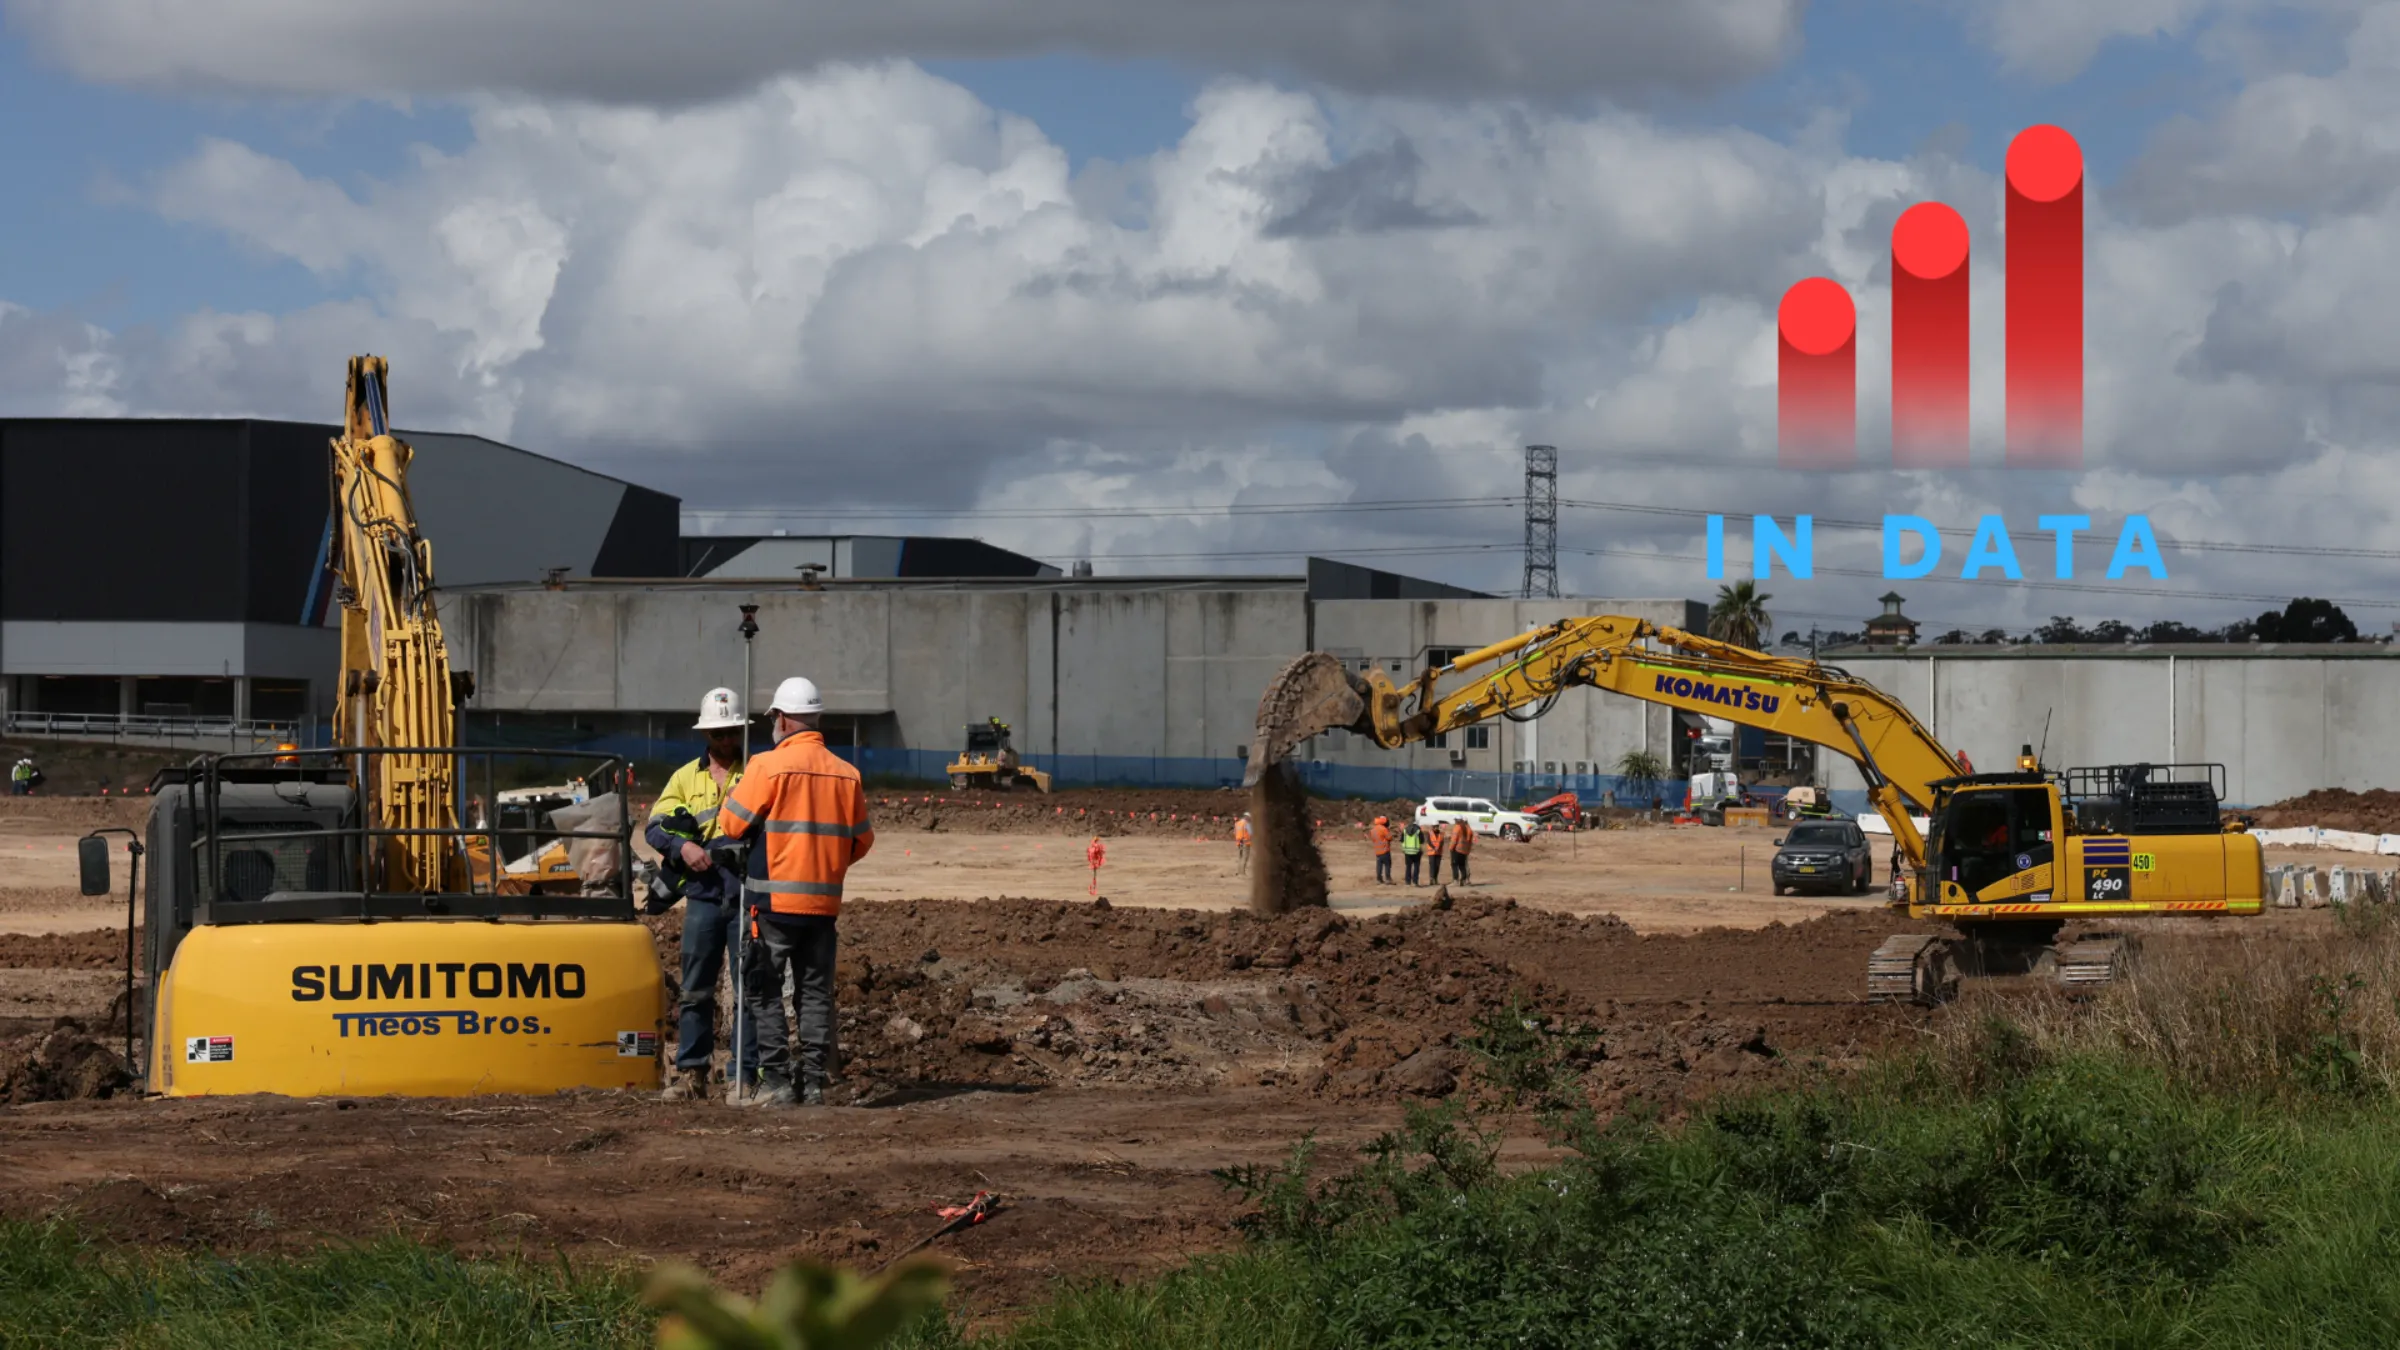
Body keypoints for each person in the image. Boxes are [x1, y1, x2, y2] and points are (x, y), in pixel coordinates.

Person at [716, 676, 874, 1108]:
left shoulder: (767, 766)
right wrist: (824, 869)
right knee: (815, 995)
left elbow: (732, 824)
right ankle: (814, 1084)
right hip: (823, 909)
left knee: (764, 990)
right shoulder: (847, 774)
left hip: (772, 907)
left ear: (782, 719)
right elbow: (862, 840)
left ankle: (778, 1083)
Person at [649, 687, 753, 1103]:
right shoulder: (684, 778)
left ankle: (742, 1076)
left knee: (748, 990)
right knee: (695, 989)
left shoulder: (757, 772)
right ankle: (693, 1075)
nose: (726, 741)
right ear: (706, 735)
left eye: (732, 733)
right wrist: (682, 848)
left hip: (746, 894)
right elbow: (655, 826)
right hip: (704, 896)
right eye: (718, 735)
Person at [1449, 816, 1473, 884]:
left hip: (1457, 849)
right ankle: (1464, 879)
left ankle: (1455, 880)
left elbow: (1454, 839)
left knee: (1454, 864)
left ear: (1457, 820)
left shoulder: (1457, 827)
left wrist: (1451, 848)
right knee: (1462, 865)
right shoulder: (1465, 828)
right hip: (1464, 850)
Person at [1400, 820, 1425, 886]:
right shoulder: (1418, 831)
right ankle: (1415, 882)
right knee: (1416, 867)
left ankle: (1408, 882)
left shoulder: (1405, 830)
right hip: (1416, 852)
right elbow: (1422, 841)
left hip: (1407, 851)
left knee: (1408, 867)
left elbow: (1402, 840)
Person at [1370, 816, 1393, 884]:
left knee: (1379, 866)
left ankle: (1379, 879)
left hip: (1377, 851)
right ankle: (1388, 879)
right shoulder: (1383, 829)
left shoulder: (1373, 829)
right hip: (1385, 850)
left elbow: (1373, 839)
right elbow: (1389, 837)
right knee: (1387, 865)